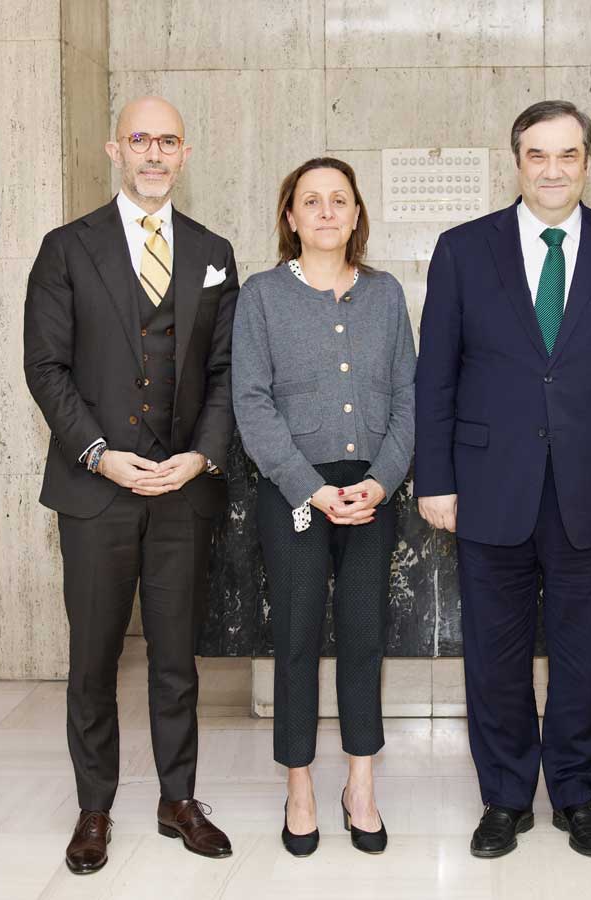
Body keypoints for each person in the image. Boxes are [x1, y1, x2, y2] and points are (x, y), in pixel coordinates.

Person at [414, 100, 591, 859]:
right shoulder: (463, 249)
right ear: (515, 160)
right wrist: (436, 479)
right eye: (537, 155)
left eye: (567, 154)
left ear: (588, 160)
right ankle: (503, 798)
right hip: (489, 484)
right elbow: (437, 376)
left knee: (586, 651)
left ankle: (579, 794)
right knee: (494, 654)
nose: (552, 170)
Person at [24, 95, 240, 875]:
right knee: (94, 658)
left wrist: (204, 456)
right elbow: (45, 368)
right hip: (95, 491)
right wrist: (97, 453)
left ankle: (178, 799)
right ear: (113, 148)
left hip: (183, 491)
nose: (154, 153)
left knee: (177, 657)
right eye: (140, 139)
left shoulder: (214, 250)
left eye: (169, 141)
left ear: (185, 153)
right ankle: (94, 808)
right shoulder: (65, 248)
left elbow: (224, 372)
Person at [232, 157, 415, 857]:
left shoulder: (385, 294)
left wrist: (386, 478)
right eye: (312, 201)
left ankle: (360, 784)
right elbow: (251, 401)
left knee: (365, 637)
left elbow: (408, 396)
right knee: (298, 638)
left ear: (358, 214)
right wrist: (308, 486)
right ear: (290, 217)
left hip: (371, 491)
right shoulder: (263, 298)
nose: (327, 211)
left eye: (340, 200)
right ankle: (300, 785)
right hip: (295, 494)